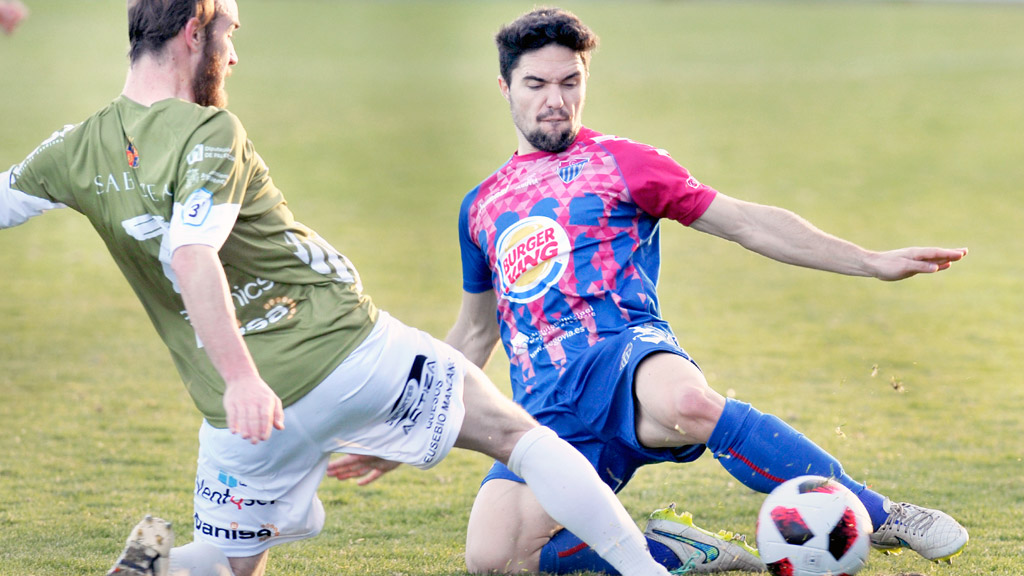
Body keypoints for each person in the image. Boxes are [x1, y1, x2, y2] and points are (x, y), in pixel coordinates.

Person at [0, 2, 686, 576]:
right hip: (341, 356)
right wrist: (244, 376)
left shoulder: (74, 148)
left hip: (237, 423)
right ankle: (646, 570)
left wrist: (236, 385)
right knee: (521, 437)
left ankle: (171, 567)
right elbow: (191, 252)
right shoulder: (210, 131)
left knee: (235, 558)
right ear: (192, 34)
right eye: (230, 33)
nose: (233, 55)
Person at [329, 7, 970, 575]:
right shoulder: (481, 206)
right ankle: (672, 551)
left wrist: (871, 261)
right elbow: (472, 333)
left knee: (690, 402)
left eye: (569, 82)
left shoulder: (624, 163)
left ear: (584, 82)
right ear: (505, 88)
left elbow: (745, 221)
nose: (555, 99)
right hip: (546, 406)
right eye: (536, 84)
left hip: (624, 354)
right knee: (497, 558)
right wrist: (408, 432)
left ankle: (882, 515)